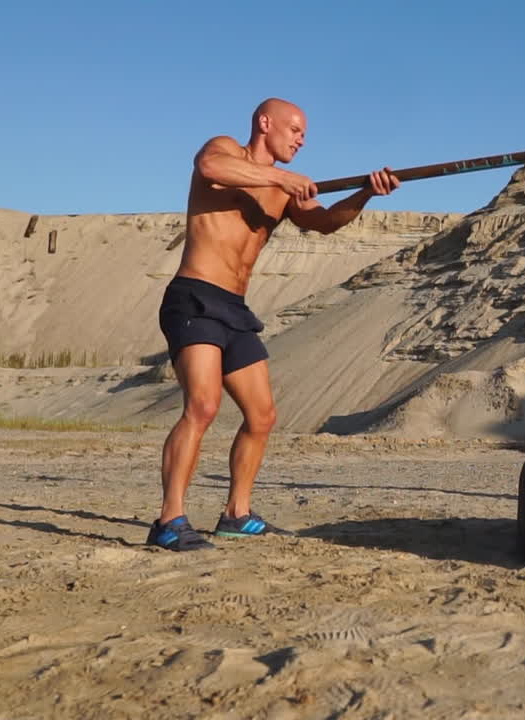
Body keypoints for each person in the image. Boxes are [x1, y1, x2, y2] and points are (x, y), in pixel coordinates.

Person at [147, 98, 400, 551]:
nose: (301, 139)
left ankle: (235, 514)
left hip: (236, 309)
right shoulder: (226, 151)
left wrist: (364, 193)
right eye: (296, 129)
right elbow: (210, 167)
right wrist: (284, 177)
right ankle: (169, 521)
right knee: (202, 407)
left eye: (305, 134)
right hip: (195, 296)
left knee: (262, 416)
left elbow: (324, 224)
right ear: (265, 124)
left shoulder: (283, 192)